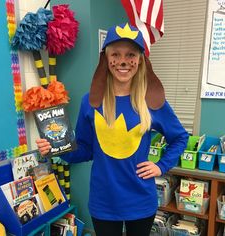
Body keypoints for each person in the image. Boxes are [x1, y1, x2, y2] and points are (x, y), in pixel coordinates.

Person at [36, 22, 189, 236]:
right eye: (115, 54)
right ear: (106, 59)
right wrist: (55, 147)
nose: (123, 61)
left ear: (140, 60)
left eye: (131, 54)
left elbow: (180, 137)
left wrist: (161, 166)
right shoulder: (90, 102)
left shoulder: (151, 101)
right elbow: (84, 150)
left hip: (140, 200)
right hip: (104, 201)